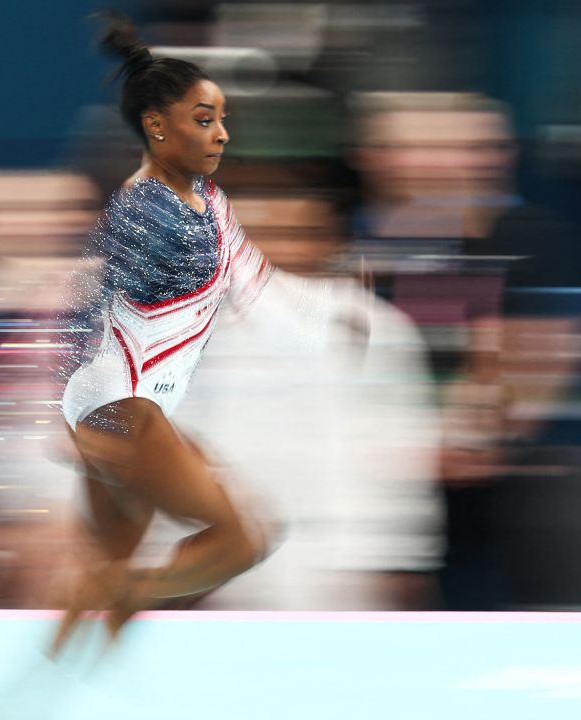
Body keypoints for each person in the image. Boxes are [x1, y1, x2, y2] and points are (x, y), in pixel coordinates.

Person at [52, 12, 367, 651]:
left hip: (124, 416)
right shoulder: (148, 214)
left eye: (221, 118)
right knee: (241, 540)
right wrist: (89, 427)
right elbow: (88, 311)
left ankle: (58, 663)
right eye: (204, 120)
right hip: (120, 418)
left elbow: (255, 285)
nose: (221, 132)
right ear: (157, 126)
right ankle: (121, 600)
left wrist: (326, 324)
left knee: (106, 569)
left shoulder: (206, 203)